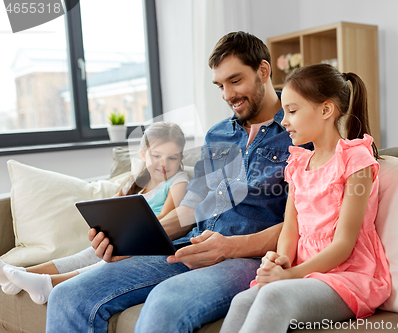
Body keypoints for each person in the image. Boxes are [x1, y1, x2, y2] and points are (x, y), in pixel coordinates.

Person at [45, 31, 308, 333]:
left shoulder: (300, 131)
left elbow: (304, 224)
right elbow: (191, 208)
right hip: (191, 244)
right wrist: (136, 239)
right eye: (220, 86)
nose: (227, 95)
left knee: (165, 303)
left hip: (249, 256)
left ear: (263, 70)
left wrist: (229, 247)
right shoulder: (218, 134)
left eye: (235, 81)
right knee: (69, 295)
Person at [220, 64, 391, 332]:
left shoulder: (355, 159)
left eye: (292, 111)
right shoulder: (298, 163)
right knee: (242, 301)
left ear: (325, 110)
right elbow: (291, 228)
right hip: (303, 271)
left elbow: (344, 244)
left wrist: (288, 276)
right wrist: (281, 261)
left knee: (273, 296)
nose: (284, 120)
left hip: (347, 275)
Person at [0, 122, 189, 305]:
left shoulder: (178, 180)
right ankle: (20, 273)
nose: (163, 163)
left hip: (151, 244)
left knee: (104, 263)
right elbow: (111, 205)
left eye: (172, 158)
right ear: (143, 155)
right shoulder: (138, 181)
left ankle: (48, 284)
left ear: (180, 159)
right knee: (86, 254)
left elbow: (167, 220)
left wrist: (129, 230)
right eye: (157, 156)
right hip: (128, 236)